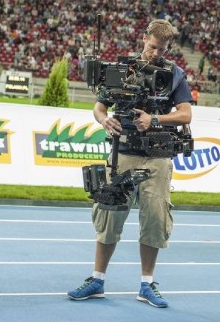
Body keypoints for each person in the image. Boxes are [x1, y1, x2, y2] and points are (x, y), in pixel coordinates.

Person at [68, 19, 192, 309]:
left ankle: (147, 284)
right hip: (122, 151)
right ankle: (97, 279)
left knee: (155, 218)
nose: (154, 53)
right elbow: (99, 107)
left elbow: (186, 115)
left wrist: (155, 119)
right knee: (110, 212)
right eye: (151, 47)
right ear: (143, 39)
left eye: (161, 50)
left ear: (168, 48)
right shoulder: (121, 71)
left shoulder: (174, 74)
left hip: (159, 154)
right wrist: (104, 120)